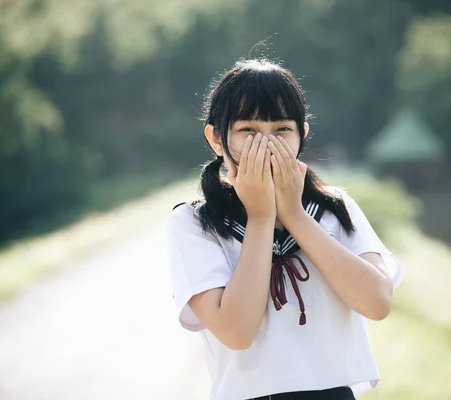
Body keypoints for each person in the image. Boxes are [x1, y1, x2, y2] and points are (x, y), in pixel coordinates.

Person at [166, 58, 403, 400]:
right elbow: (236, 332)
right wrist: (262, 218)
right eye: (248, 130)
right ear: (216, 138)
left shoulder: (335, 209)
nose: (267, 145)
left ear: (302, 135)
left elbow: (377, 303)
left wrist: (293, 213)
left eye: (281, 130)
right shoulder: (194, 223)